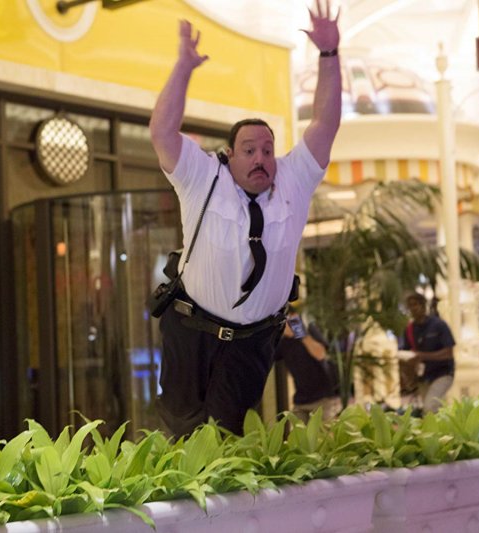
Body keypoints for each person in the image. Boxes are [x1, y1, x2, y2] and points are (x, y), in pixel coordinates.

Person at [148, 1, 342, 437]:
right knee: (180, 432)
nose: (260, 159)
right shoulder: (203, 176)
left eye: (268, 150)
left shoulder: (293, 180)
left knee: (227, 439)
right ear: (229, 155)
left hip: (252, 343)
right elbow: (162, 132)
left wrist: (329, 55)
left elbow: (324, 124)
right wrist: (184, 67)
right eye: (249, 150)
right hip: (191, 332)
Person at [275, 312, 341, 423]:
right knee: (297, 432)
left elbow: (320, 354)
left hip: (323, 399)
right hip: (301, 401)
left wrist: (300, 334)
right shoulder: (283, 343)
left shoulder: (310, 330)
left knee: (322, 433)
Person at [399, 292, 455, 413]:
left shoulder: (439, 325)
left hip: (442, 374)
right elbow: (407, 353)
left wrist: (423, 356)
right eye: (410, 306)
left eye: (415, 304)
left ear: (423, 305)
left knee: (430, 406)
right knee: (430, 411)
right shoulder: (409, 330)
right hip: (423, 378)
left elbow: (448, 353)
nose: (413, 308)